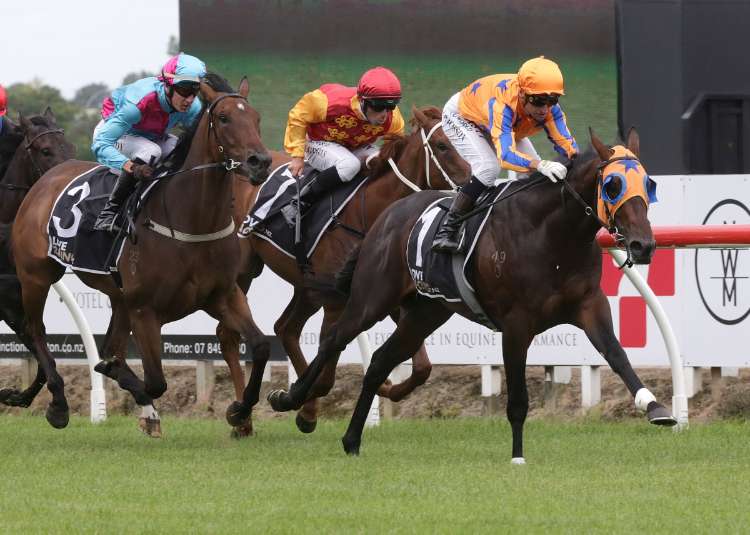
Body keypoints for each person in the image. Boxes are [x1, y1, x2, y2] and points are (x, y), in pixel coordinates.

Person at [432, 56, 579, 253]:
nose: (544, 109)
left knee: (536, 175)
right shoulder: (503, 105)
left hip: (501, 122)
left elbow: (569, 148)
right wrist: (541, 164)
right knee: (489, 168)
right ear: (522, 94)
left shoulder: (552, 110)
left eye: (552, 100)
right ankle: (447, 230)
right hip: (462, 116)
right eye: (538, 101)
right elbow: (506, 156)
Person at [91, 53, 206, 232]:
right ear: (168, 85)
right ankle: (107, 215)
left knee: (180, 148)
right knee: (151, 151)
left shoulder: (193, 107)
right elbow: (100, 144)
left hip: (148, 136)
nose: (190, 99)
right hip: (113, 136)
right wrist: (132, 167)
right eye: (184, 90)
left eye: (195, 91)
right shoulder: (138, 103)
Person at [281, 66, 405, 221]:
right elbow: (298, 116)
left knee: (382, 163)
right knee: (350, 165)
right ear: (363, 101)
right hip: (318, 142)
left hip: (355, 146)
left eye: (391, 106)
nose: (384, 115)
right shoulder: (328, 102)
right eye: (379, 107)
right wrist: (297, 157)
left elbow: (397, 145)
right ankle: (300, 202)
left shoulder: (392, 118)